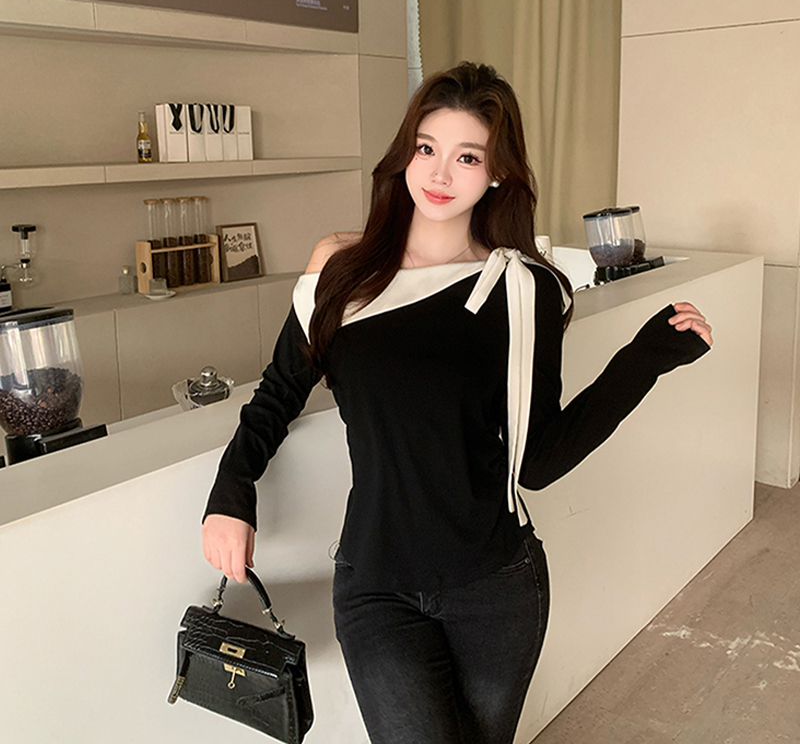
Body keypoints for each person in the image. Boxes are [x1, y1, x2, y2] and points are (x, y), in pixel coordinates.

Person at [202, 62, 712, 744]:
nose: (440, 173)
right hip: (376, 584)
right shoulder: (341, 269)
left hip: (496, 587)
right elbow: (278, 392)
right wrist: (231, 493)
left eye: (467, 156)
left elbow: (539, 459)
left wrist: (645, 359)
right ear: (405, 153)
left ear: (497, 172)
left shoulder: (523, 289)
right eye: (427, 148)